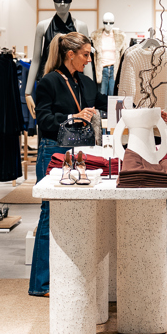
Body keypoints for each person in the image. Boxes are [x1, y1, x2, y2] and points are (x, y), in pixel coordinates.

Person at [28, 31, 105, 296]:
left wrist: (145, 110)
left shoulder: (85, 83)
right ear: (70, 54)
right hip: (53, 151)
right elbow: (44, 120)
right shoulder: (48, 81)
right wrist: (74, 117)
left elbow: (107, 102)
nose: (88, 59)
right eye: (85, 54)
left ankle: (69, 276)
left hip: (80, 153)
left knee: (78, 214)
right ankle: (40, 284)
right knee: (49, 213)